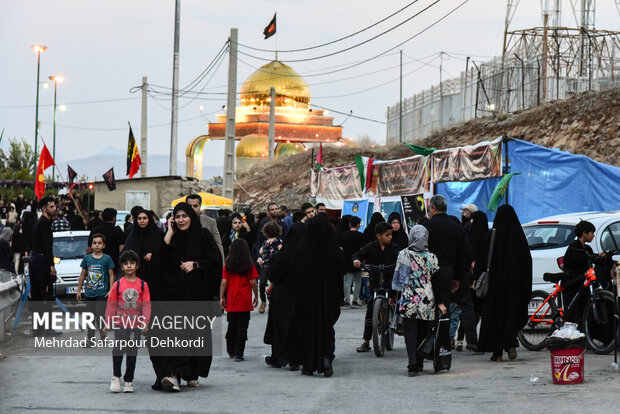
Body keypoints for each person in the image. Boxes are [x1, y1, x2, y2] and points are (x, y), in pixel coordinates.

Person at [155, 202, 222, 391]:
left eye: (185, 216)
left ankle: (192, 372)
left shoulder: (203, 235)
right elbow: (160, 260)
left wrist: (196, 265)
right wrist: (169, 233)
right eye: (178, 217)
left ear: (192, 217)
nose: (181, 220)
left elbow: (215, 260)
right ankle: (174, 374)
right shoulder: (171, 238)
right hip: (174, 295)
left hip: (196, 293)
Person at [477, 205, 532, 361]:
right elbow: (527, 262)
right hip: (515, 287)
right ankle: (511, 345)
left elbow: (482, 259)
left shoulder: (492, 237)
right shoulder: (519, 238)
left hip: (495, 288)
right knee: (511, 315)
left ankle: (498, 353)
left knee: (496, 317)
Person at [293, 215, 343, 376]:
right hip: (328, 298)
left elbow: (297, 276)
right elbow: (339, 274)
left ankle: (308, 365)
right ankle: (326, 357)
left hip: (307, 300)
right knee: (326, 328)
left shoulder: (302, 249)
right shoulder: (333, 250)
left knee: (308, 330)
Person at [392, 225, 439, 376]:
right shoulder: (431, 256)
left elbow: (399, 277)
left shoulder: (403, 254)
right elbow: (437, 278)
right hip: (427, 298)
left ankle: (412, 363)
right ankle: (419, 362)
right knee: (423, 331)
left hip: (409, 297)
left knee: (410, 331)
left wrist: (394, 296)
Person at [104, 250, 151, 393]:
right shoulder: (118, 285)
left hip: (135, 325)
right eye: (126, 264)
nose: (129, 266)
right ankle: (116, 377)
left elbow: (146, 304)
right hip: (120, 324)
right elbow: (112, 304)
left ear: (137, 266)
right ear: (122, 267)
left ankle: (129, 381)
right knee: (119, 349)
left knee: (132, 352)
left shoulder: (143, 285)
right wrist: (108, 322)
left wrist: (145, 321)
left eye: (132, 263)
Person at [264, 222, 306, 369]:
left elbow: (272, 274)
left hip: (282, 295)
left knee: (280, 326)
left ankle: (279, 356)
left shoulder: (284, 253)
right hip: (302, 295)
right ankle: (297, 358)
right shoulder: (307, 254)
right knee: (298, 327)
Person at [423, 195, 468, 331]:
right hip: (448, 271)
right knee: (444, 305)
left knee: (428, 304)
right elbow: (462, 254)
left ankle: (428, 338)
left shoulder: (427, 226)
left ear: (433, 208)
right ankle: (443, 339)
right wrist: (457, 277)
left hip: (428, 271)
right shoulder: (456, 227)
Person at [353, 221, 399, 352]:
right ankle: (366, 341)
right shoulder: (371, 247)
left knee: (395, 302)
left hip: (390, 282)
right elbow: (358, 254)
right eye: (387, 235)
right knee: (370, 310)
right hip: (375, 282)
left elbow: (401, 257)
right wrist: (356, 260)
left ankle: (395, 323)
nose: (390, 237)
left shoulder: (394, 248)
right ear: (379, 236)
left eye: (391, 235)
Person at [561, 220, 609, 322]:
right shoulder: (574, 247)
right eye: (592, 233)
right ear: (584, 233)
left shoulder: (587, 248)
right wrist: (596, 256)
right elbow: (583, 256)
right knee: (572, 312)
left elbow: (597, 261)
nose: (594, 235)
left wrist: (607, 256)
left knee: (584, 311)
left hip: (583, 284)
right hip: (572, 283)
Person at [220, 239, 259, 362]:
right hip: (245, 300)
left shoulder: (228, 264)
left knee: (231, 325)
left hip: (232, 299)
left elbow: (224, 282)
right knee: (243, 328)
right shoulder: (249, 265)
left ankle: (230, 349)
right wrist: (256, 296)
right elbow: (253, 282)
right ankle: (239, 353)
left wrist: (221, 296)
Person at [77, 233, 115, 344]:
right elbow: (83, 274)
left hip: (102, 293)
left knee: (100, 314)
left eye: (99, 243)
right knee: (90, 317)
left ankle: (103, 335)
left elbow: (111, 274)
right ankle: (90, 339)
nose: (97, 245)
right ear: (91, 245)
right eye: (94, 243)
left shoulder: (107, 259)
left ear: (104, 245)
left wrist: (111, 289)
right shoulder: (87, 259)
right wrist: (79, 290)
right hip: (89, 293)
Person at [29, 197, 59, 336]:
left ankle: (37, 329)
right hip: (41, 262)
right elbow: (47, 247)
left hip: (34, 261)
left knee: (37, 296)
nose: (54, 209)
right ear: (44, 208)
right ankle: (45, 329)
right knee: (45, 296)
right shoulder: (44, 224)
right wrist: (51, 265)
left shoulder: (37, 223)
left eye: (54, 206)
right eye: (51, 207)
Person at [122, 209, 164, 298]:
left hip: (155, 272)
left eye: (144, 218)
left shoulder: (157, 232)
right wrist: (141, 255)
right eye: (139, 218)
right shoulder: (133, 233)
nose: (141, 221)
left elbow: (163, 249)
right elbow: (128, 251)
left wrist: (154, 254)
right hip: (138, 272)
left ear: (149, 219)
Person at [186, 194, 224, 262]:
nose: (192, 208)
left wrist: (221, 264)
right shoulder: (181, 222)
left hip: (205, 264)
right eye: (189, 206)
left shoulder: (210, 222)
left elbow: (218, 245)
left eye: (195, 206)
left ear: (200, 207)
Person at [256, 221, 283, 313]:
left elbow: (260, 251)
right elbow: (281, 250)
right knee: (271, 284)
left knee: (263, 283)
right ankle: (268, 303)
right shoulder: (277, 241)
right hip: (272, 264)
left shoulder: (268, 242)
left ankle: (264, 302)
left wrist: (262, 256)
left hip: (267, 264)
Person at [90, 208, 125, 273]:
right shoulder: (118, 231)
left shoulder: (94, 231)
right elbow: (122, 249)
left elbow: (89, 249)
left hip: (96, 264)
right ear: (114, 218)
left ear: (102, 218)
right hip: (114, 264)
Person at [338, 216, 364, 307]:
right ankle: (355, 300)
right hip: (358, 261)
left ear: (350, 224)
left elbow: (341, 248)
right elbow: (362, 249)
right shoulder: (361, 235)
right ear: (358, 225)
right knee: (357, 281)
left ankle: (347, 300)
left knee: (347, 281)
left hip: (346, 261)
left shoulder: (344, 235)